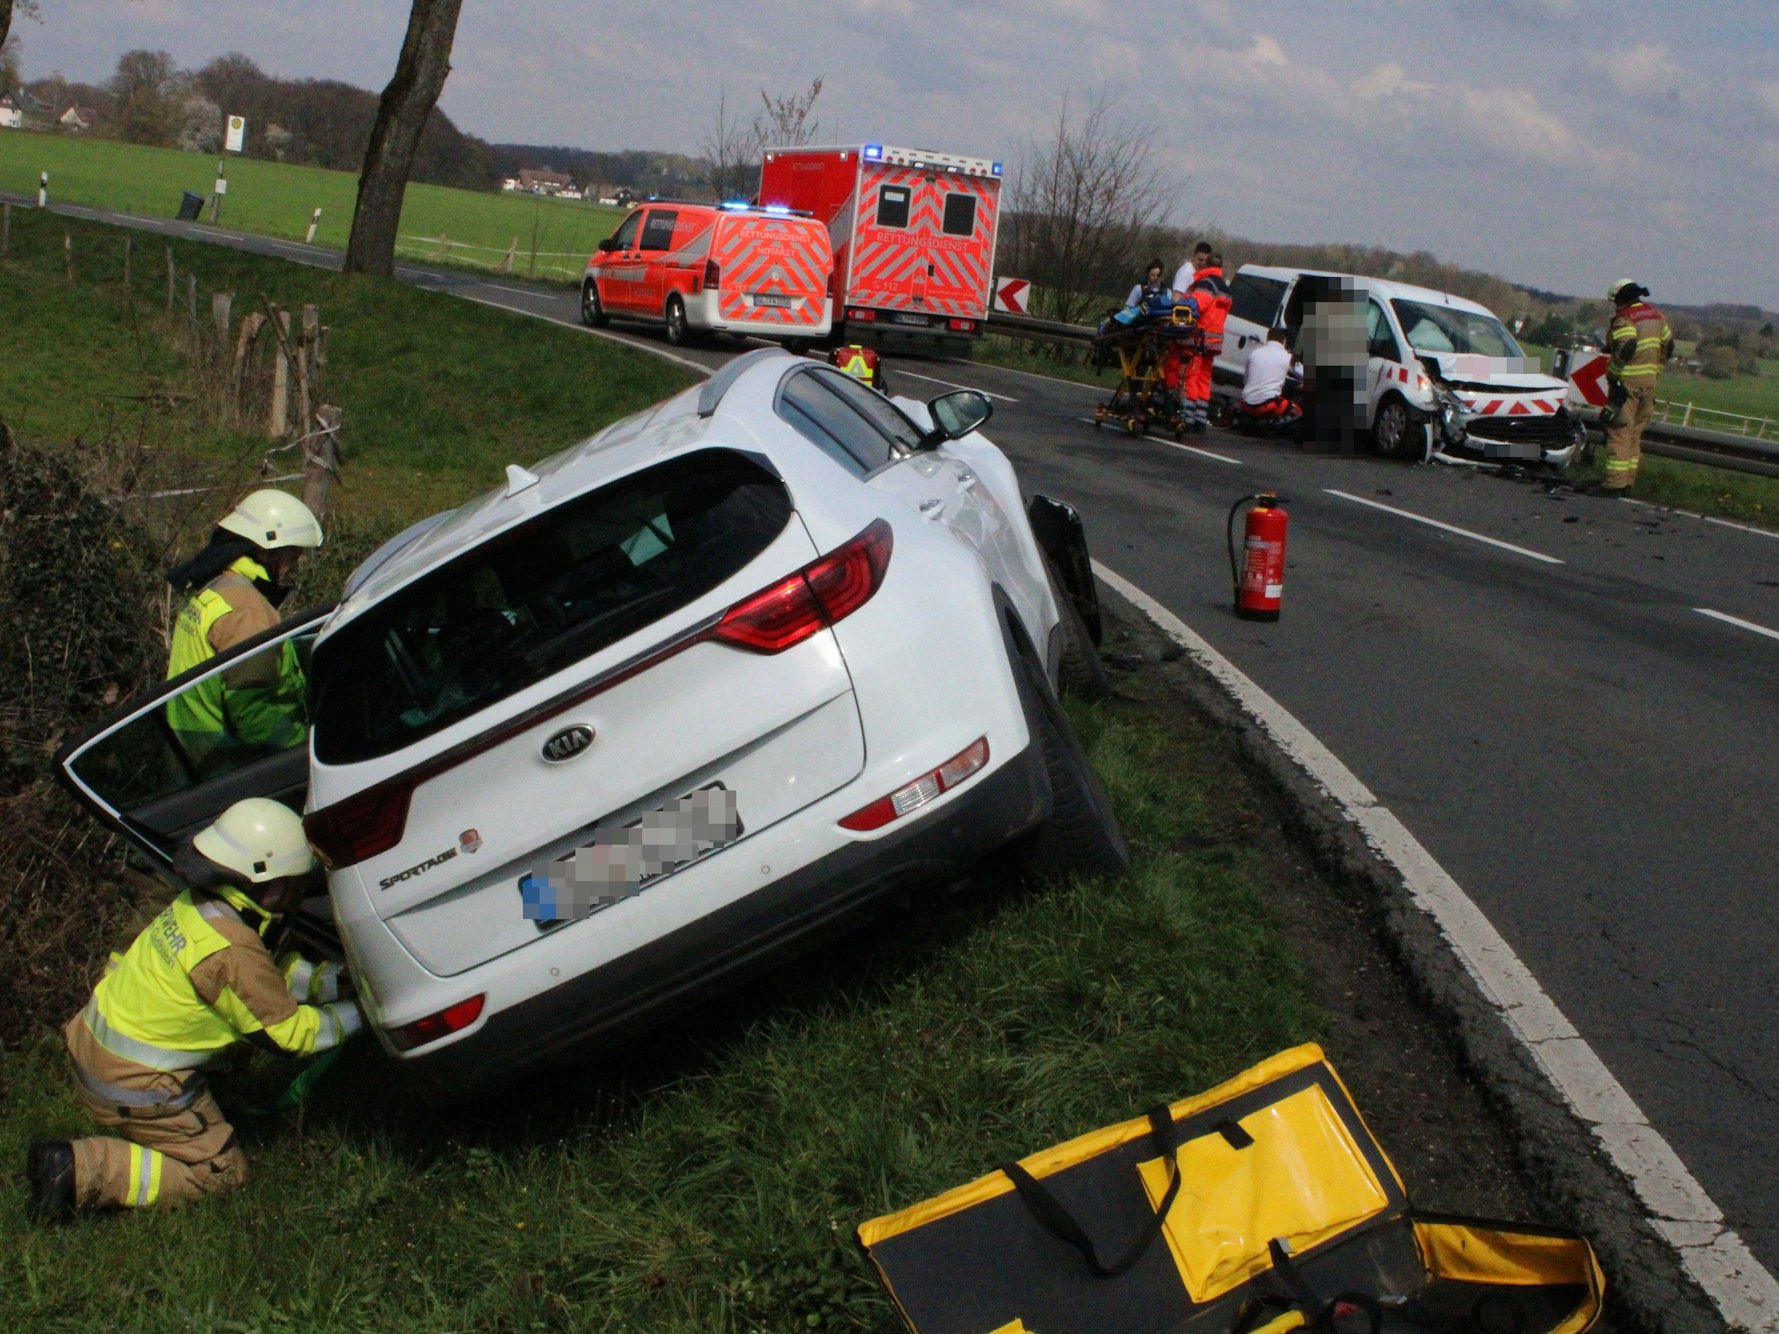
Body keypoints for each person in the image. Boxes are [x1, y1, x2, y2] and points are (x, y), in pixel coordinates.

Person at [25, 798, 362, 1221]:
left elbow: (262, 978)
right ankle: (80, 1169)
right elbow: (288, 1035)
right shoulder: (230, 947)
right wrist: (366, 1009)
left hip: (94, 1053)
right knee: (220, 1176)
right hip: (134, 1085)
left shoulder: (198, 907)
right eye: (294, 883)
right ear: (267, 879)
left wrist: (335, 981)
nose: (297, 894)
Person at [164, 489, 322, 771]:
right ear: (264, 551)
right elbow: (252, 714)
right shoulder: (247, 611)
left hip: (190, 749)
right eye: (292, 556)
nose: (295, 566)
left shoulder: (220, 584)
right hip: (226, 763)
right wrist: (305, 749)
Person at [1593, 278, 1673, 496]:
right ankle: (1627, 483)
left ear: (1620, 299)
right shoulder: (1656, 315)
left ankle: (1613, 485)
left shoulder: (1624, 319)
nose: (1614, 306)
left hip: (1626, 384)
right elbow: (1669, 345)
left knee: (1619, 433)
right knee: (1635, 435)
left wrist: (1614, 371)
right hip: (1649, 383)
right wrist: (1656, 371)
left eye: (1615, 301)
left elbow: (1627, 345)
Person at [1180, 251, 1232, 433]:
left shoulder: (1206, 283)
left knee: (1192, 377)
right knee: (1204, 379)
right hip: (1214, 341)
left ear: (1206, 266)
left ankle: (1188, 417)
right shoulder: (1226, 288)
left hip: (1199, 339)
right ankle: (1201, 418)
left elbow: (1197, 306)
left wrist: (1182, 305)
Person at [1240, 327, 1303, 422]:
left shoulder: (1254, 353)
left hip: (1245, 404)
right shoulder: (1287, 357)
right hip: (1268, 405)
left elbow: (1245, 381)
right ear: (1284, 341)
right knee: (1298, 413)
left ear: (1268, 338)